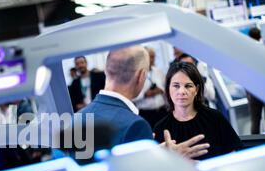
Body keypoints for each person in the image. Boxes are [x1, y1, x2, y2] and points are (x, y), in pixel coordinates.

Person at [80, 46, 211, 160]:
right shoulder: (136, 125)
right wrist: (165, 158)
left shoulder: (77, 118)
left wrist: (152, 153)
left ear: (106, 70)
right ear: (141, 76)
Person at [154, 62, 243, 160]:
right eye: (176, 86)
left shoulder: (215, 118)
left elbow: (233, 153)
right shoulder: (161, 128)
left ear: (196, 89)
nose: (182, 92)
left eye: (188, 86)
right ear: (168, 88)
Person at [133, 47, 168, 128]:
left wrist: (160, 90)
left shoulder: (158, 71)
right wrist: (145, 95)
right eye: (150, 56)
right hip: (146, 113)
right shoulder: (135, 75)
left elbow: (166, 88)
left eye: (154, 57)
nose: (153, 59)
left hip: (162, 111)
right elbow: (131, 97)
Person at [246, 27, 264, 134]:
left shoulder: (247, 52)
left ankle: (255, 146)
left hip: (253, 91)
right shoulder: (262, 50)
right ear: (260, 36)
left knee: (255, 120)